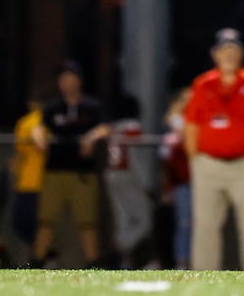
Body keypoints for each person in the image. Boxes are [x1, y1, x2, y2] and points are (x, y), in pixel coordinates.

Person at [185, 29, 244, 271]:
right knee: (205, 225)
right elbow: (191, 125)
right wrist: (196, 158)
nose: (229, 55)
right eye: (224, 50)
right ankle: (205, 275)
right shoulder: (203, 84)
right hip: (209, 164)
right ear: (215, 54)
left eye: (234, 50)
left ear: (241, 53)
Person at [32, 61, 106, 267]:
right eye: (63, 79)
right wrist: (38, 137)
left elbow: (105, 128)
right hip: (55, 170)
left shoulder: (91, 106)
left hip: (82, 172)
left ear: (79, 80)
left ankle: (94, 264)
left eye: (70, 78)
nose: (66, 83)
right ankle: (36, 263)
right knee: (46, 219)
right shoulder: (53, 107)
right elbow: (39, 127)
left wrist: (91, 137)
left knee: (87, 221)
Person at [103, 93, 153, 269]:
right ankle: (119, 249)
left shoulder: (113, 127)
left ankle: (124, 262)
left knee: (123, 219)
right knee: (144, 222)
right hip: (128, 176)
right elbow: (135, 156)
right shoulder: (132, 126)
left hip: (112, 174)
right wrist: (145, 182)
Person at [160, 88, 193, 269]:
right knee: (184, 224)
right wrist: (167, 189)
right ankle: (182, 261)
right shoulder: (175, 131)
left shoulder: (201, 121)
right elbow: (166, 166)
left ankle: (201, 262)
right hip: (182, 184)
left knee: (203, 225)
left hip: (203, 181)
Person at [9, 103, 45, 257]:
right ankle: (39, 257)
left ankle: (40, 258)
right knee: (22, 223)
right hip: (26, 182)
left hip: (40, 182)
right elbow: (19, 151)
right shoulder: (26, 121)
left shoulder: (43, 120)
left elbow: (40, 143)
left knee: (37, 225)